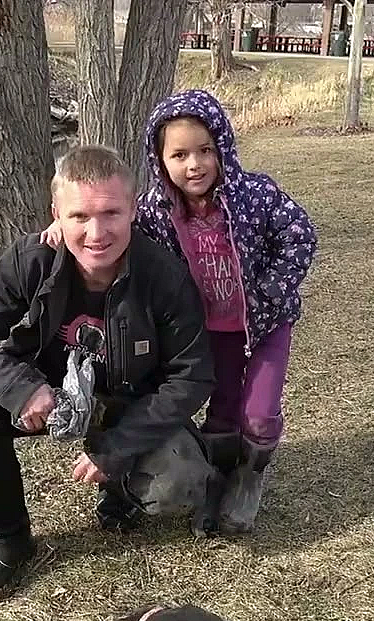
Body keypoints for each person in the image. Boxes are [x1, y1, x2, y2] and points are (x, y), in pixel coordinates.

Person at [0, 144, 217, 602]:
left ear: (134, 209)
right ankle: (6, 536)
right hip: (48, 394)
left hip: (129, 403)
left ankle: (124, 492)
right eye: (79, 216)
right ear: (56, 215)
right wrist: (20, 388)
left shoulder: (165, 276)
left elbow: (192, 376)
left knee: (181, 482)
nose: (96, 233)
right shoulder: (31, 260)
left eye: (111, 213)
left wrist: (117, 449)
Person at [42, 89, 319, 534]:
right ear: (160, 159)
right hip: (212, 330)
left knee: (259, 412)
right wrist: (64, 220)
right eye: (180, 154)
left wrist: (268, 291)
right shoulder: (155, 209)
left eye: (206, 150)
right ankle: (219, 479)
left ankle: (250, 476)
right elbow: (114, 220)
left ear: (223, 147)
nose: (195, 165)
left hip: (265, 324)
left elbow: (300, 236)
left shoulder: (256, 195)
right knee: (223, 409)